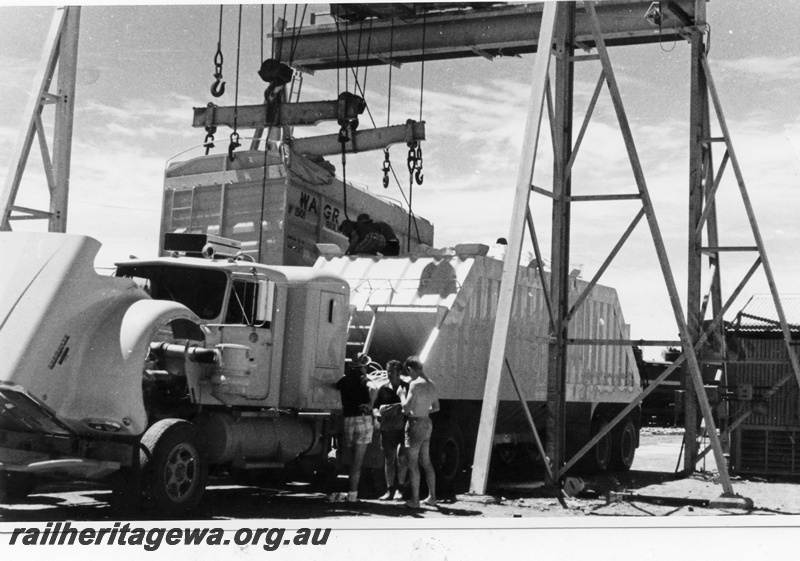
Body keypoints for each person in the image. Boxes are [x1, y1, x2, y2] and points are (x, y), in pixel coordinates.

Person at [397, 355, 440, 509]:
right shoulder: (431, 384)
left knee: (413, 463)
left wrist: (402, 395)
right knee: (426, 462)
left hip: (414, 423)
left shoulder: (415, 385)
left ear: (410, 369)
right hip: (427, 423)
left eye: (408, 372)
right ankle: (432, 497)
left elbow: (406, 408)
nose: (409, 375)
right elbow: (436, 407)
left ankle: (415, 500)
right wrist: (423, 409)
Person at [334, 353, 374, 503]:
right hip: (362, 419)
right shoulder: (364, 379)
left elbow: (336, 386)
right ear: (363, 366)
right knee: (357, 462)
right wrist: (370, 404)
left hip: (348, 420)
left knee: (350, 460)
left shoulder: (344, 380)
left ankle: (348, 492)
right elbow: (374, 388)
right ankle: (352, 496)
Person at [372, 360, 409, 500]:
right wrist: (377, 414)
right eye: (388, 371)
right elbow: (375, 407)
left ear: (399, 373)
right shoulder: (383, 388)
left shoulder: (406, 387)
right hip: (388, 428)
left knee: (402, 457)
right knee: (389, 459)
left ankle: (400, 489)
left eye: (392, 372)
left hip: (404, 427)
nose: (389, 374)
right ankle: (389, 490)